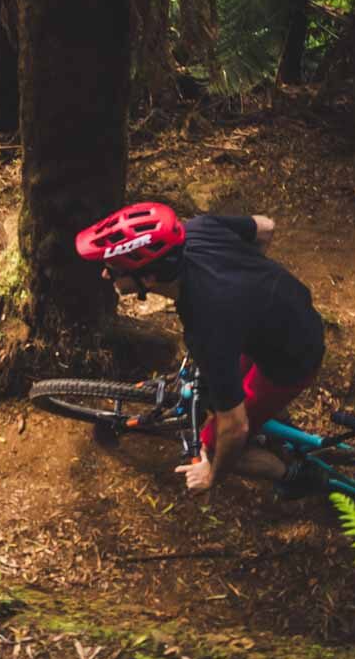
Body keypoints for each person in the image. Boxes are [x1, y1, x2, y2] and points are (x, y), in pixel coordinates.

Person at [74, 202, 326, 495]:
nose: (106, 275)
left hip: (291, 359)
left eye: (114, 269)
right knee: (220, 389)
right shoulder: (198, 229)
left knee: (217, 440)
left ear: (150, 278)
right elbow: (266, 227)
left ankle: (295, 476)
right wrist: (244, 284)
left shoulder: (207, 327)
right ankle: (272, 427)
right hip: (288, 313)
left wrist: (211, 475)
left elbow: (236, 428)